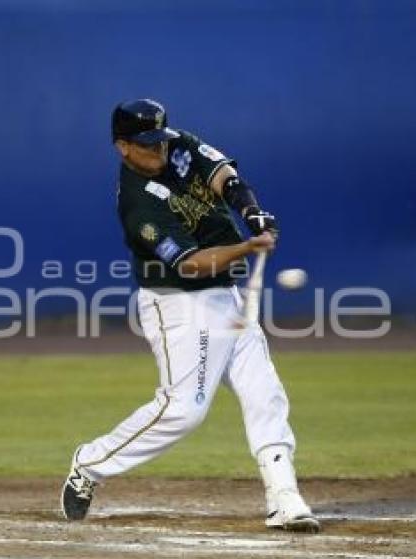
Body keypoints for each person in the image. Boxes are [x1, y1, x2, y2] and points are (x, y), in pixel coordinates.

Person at [60, 99, 320, 532]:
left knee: (264, 391)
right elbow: (190, 263)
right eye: (147, 145)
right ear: (123, 147)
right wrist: (247, 247)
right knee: (183, 410)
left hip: (228, 296)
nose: (159, 150)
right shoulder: (138, 205)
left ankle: (284, 495)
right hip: (179, 303)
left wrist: (251, 211)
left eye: (160, 140)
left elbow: (223, 175)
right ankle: (90, 463)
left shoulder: (176, 144)